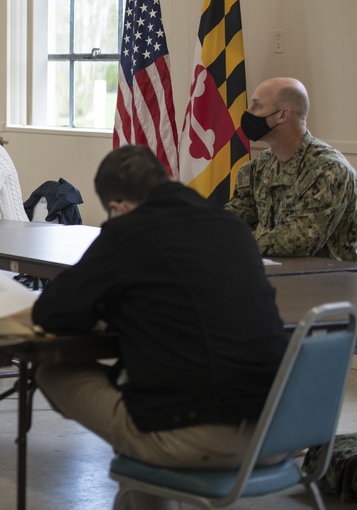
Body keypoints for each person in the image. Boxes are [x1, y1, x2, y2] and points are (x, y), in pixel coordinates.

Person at [33, 145, 288, 480]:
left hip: (198, 438)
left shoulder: (129, 232)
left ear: (117, 208)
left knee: (51, 370)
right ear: (165, 179)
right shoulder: (232, 226)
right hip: (281, 430)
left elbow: (51, 313)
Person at [226, 76, 357, 261]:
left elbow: (297, 241)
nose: (249, 112)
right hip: (276, 275)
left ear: (282, 115)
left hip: (328, 283)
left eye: (257, 106)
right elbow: (235, 217)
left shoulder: (328, 170)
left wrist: (234, 240)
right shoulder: (258, 167)